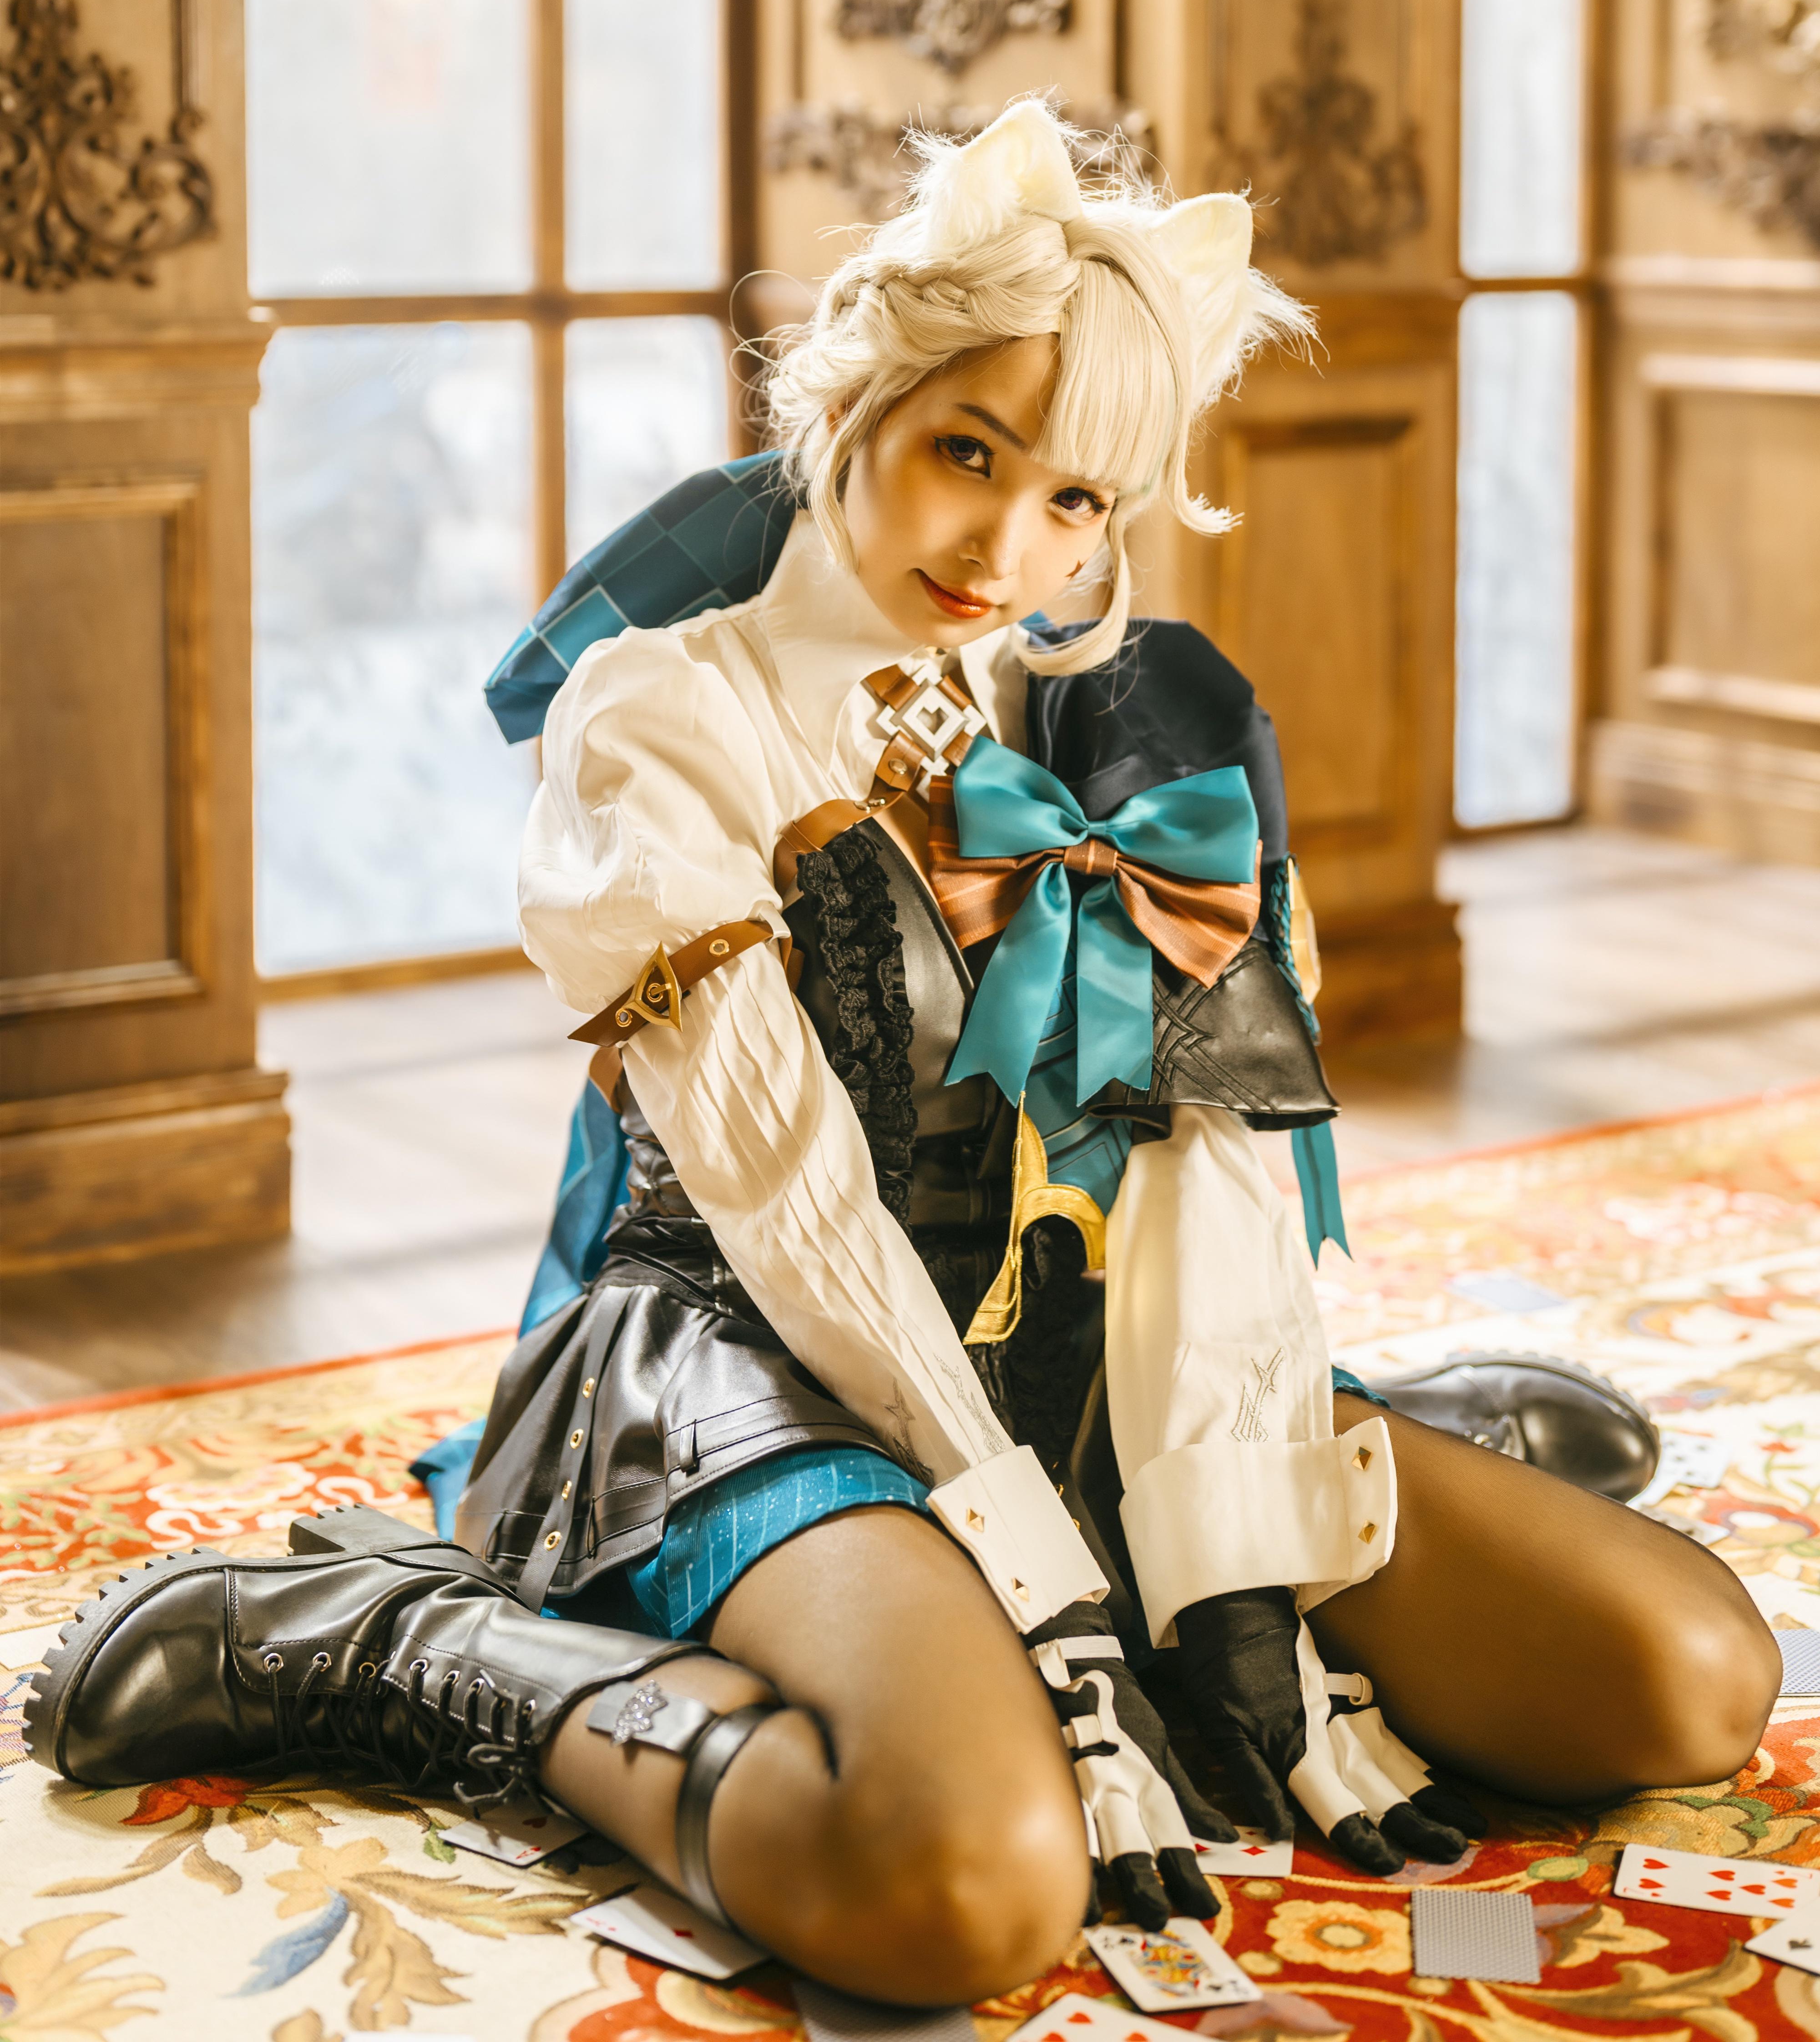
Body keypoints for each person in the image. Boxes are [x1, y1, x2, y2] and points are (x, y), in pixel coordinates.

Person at [27, 102, 1780, 2009]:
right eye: (969, 451)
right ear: (858, 395)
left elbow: (1202, 1152)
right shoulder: (661, 718)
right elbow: (790, 1197)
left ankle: (1377, 1437)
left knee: (1685, 1678)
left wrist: (1232, 1530)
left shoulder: (1104, 702)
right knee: (963, 1885)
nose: (1007, 546)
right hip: (744, 1347)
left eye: (1078, 498)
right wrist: (1045, 1569)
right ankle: (425, 1651)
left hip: (1069, 1332)